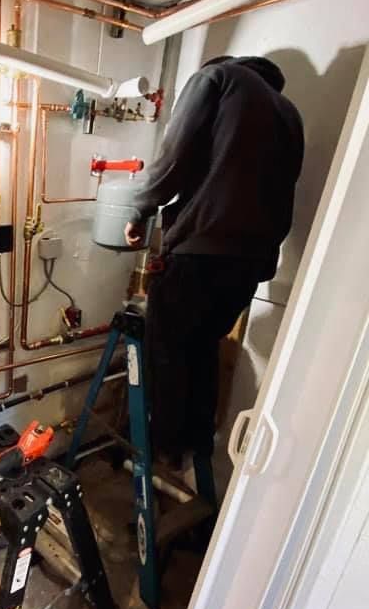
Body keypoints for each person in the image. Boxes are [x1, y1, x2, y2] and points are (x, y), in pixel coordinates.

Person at [124, 55, 304, 476]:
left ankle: (166, 448)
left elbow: (173, 157)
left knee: (168, 351)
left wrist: (139, 210)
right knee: (203, 347)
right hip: (249, 265)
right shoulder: (289, 112)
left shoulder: (217, 78)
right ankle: (197, 440)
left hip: (198, 253)